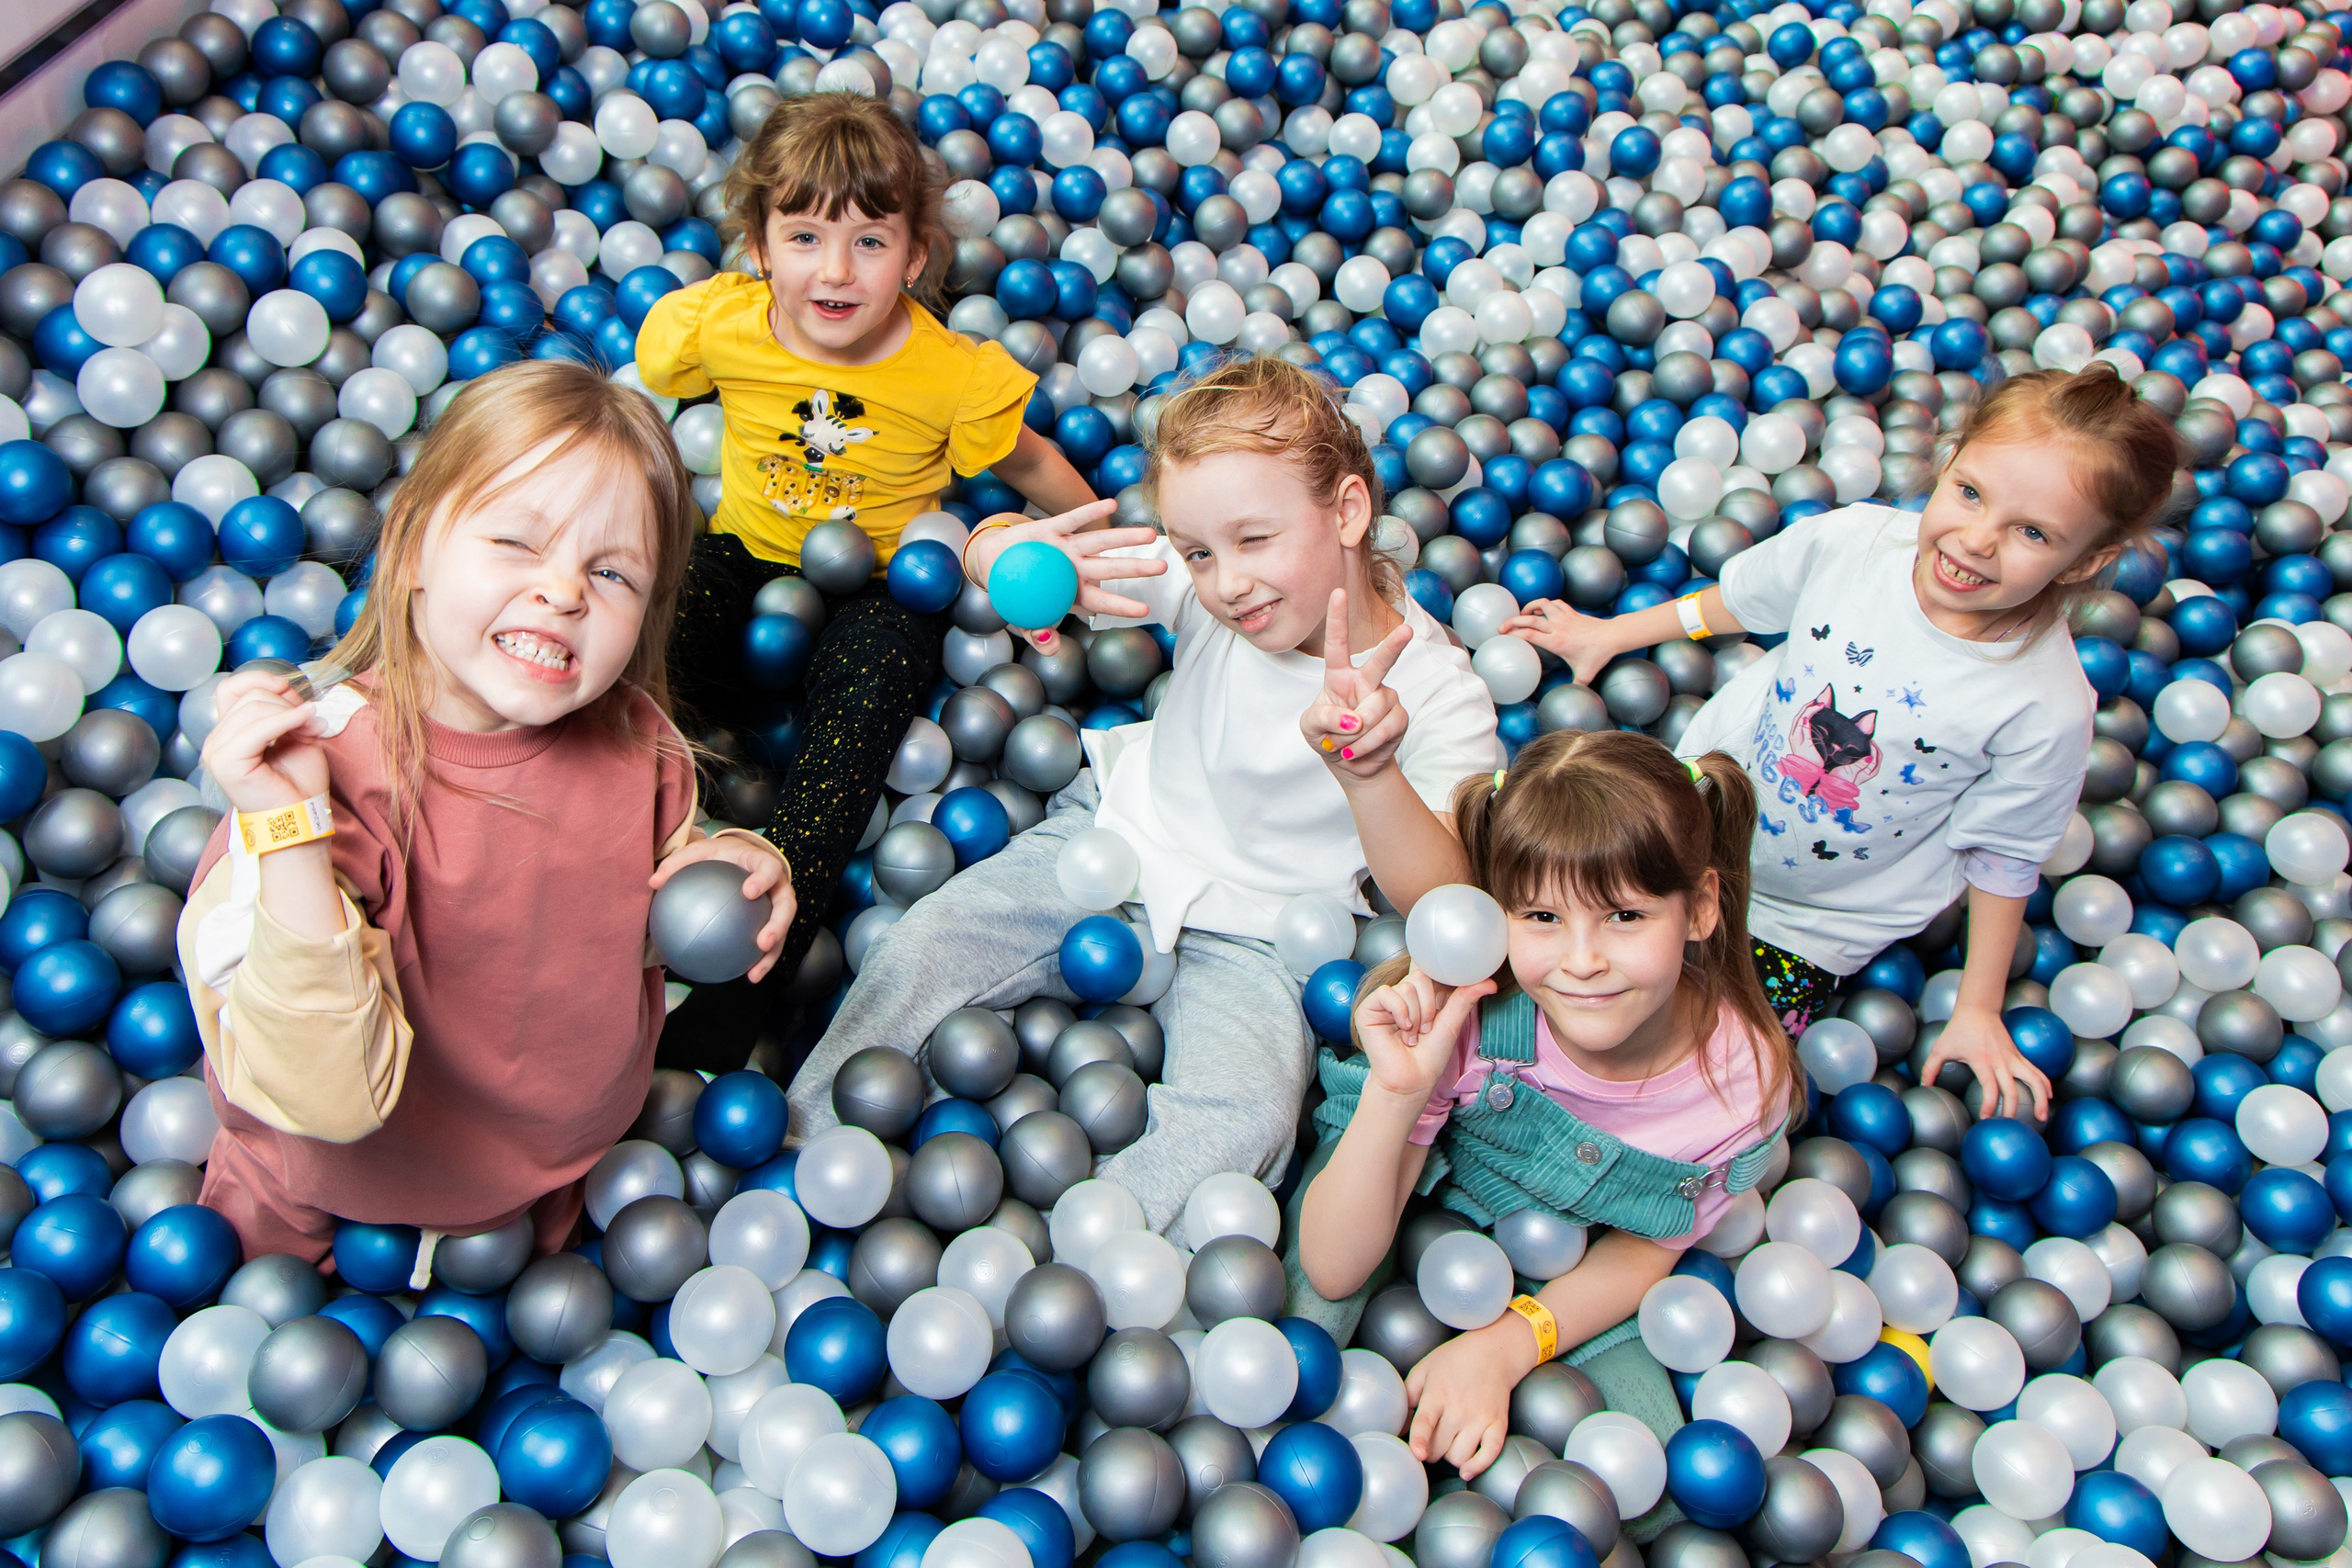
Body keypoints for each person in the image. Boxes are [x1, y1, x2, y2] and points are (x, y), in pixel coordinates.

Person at [786, 355, 1501, 1230]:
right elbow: (997, 543)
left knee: (1249, 1122)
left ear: (1348, 510)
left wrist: (1369, 772)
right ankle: (797, 1156)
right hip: (1115, 842)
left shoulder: (1438, 692)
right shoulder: (1206, 590)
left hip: (1266, 931)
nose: (1227, 582)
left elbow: (1441, 899)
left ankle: (1069, 1274)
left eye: (1255, 540)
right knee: (922, 945)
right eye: (1199, 551)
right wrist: (1003, 550)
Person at [176, 360, 794, 1275]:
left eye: (613, 572)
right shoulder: (315, 778)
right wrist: (291, 829)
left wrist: (728, 862)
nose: (564, 591)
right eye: (515, 542)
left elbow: (646, 906)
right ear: (416, 547)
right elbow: (321, 1094)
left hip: (546, 1167)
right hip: (323, 1171)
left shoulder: (640, 742)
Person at [1503, 365, 2181, 1118]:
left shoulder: (2043, 704)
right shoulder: (1853, 544)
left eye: (2032, 533)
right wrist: (1610, 633)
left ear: (2084, 560)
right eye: (1969, 492)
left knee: (1703, 1068)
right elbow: (1741, 601)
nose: (1977, 540)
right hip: (1697, 817)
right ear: (1947, 460)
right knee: (1560, 949)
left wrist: (1978, 1007)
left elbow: (2006, 854)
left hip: (1816, 922)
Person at [636, 92, 1097, 1072]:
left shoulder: (949, 372)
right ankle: (618, 876)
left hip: (881, 581)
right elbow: (655, 363)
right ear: (758, 247)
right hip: (749, 555)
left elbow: (1027, 465)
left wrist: (1088, 551)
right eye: (803, 237)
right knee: (652, 650)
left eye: (871, 243)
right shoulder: (723, 324)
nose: (835, 272)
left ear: (917, 257)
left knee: (870, 698)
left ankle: (751, 970)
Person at [1297, 729, 1797, 1483]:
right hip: (1404, 1159)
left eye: (1625, 916)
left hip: (1575, 1256)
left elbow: (1649, 1245)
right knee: (1299, 1348)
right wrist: (1398, 1093)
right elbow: (1335, 1268)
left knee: (1645, 1478)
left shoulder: (1742, 1084)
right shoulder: (1461, 1020)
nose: (1582, 960)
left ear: (1699, 908)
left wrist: (1509, 1343)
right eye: (1541, 918)